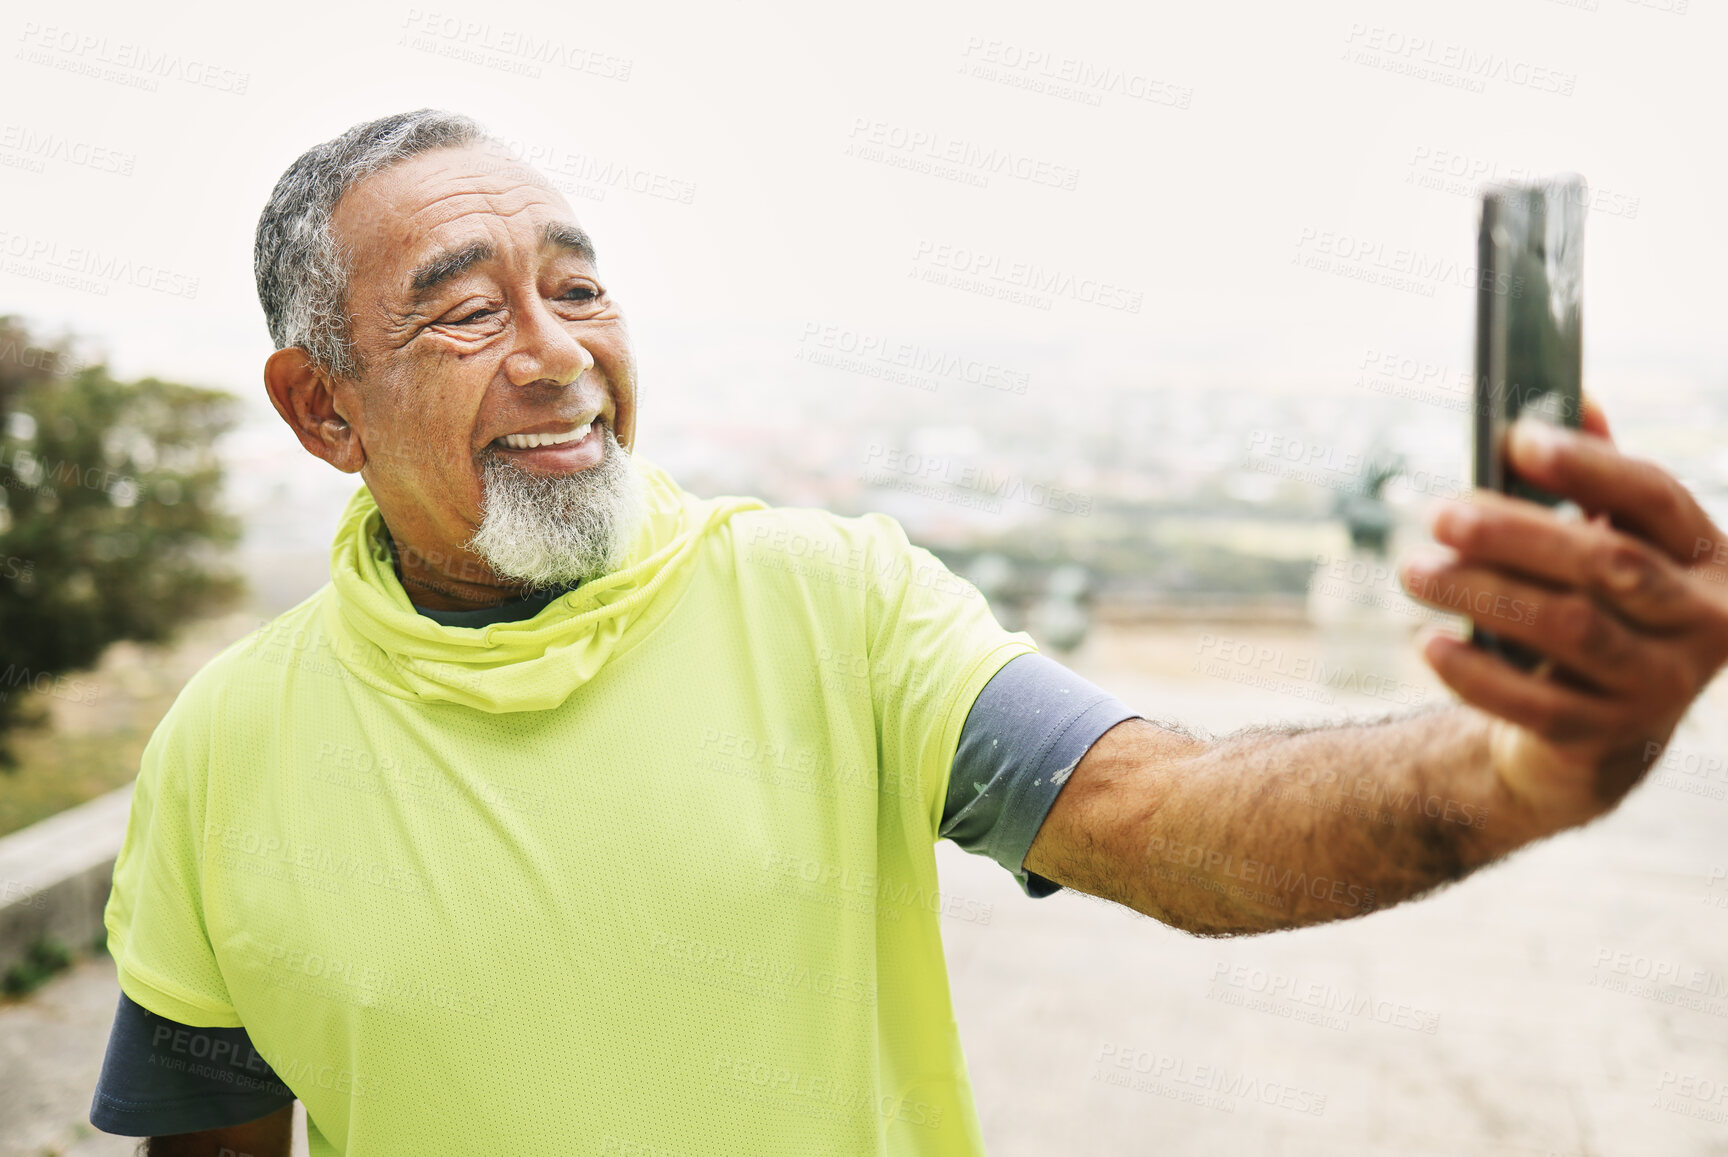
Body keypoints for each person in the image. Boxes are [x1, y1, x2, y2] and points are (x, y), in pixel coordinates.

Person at [87, 110, 1728, 1156]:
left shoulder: (828, 599)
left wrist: (1523, 766)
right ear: (322, 409)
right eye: (463, 308)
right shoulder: (222, 755)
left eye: (579, 290)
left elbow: (1170, 816)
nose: (558, 354)